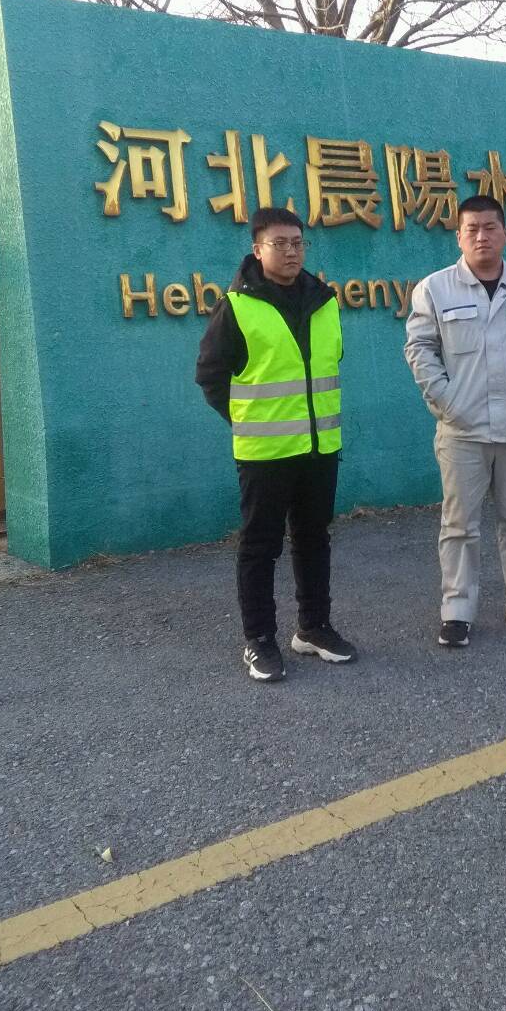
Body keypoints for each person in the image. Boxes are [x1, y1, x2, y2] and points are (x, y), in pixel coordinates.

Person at [196, 207, 356, 682]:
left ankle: (314, 627)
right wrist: (248, 419)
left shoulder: (324, 301)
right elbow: (210, 375)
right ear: (257, 249)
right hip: (265, 454)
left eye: (298, 243)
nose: (291, 251)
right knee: (259, 547)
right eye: (280, 243)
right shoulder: (237, 306)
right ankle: (260, 640)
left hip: (320, 449)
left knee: (314, 539)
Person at [404, 195, 506, 648]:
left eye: (490, 227)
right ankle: (457, 610)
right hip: (462, 429)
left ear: (505, 234)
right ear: (459, 236)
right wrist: (446, 400)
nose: (481, 236)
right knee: (459, 525)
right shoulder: (435, 289)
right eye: (471, 229)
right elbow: (419, 349)